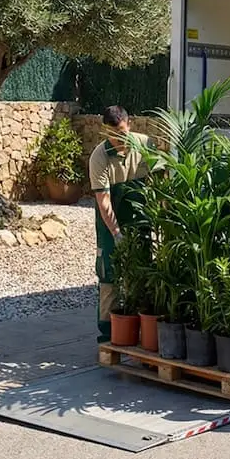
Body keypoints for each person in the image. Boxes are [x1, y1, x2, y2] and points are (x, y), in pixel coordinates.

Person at [88, 105, 155, 343]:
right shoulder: (99, 157)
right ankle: (108, 334)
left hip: (140, 220)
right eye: (113, 136)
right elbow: (104, 202)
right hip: (110, 225)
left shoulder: (146, 145)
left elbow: (159, 184)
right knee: (109, 276)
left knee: (141, 271)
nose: (119, 141)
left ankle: (140, 327)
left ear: (130, 124)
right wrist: (117, 234)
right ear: (105, 132)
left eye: (123, 134)